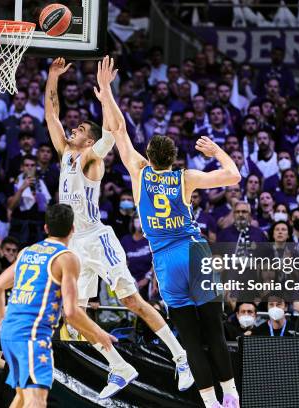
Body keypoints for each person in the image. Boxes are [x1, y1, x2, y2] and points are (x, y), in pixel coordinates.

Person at [95, 56, 240, 408]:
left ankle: (209, 401)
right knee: (214, 333)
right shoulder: (185, 177)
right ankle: (232, 395)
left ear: (148, 156)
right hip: (193, 252)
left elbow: (119, 131)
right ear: (174, 158)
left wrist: (107, 95)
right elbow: (233, 176)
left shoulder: (139, 173)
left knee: (190, 340)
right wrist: (217, 150)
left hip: (165, 261)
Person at [45, 57, 194, 398]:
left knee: (131, 300)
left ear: (90, 139)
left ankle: (181, 356)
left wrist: (106, 96)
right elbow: (51, 113)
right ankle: (120, 366)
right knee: (74, 316)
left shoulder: (93, 158)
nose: (74, 129)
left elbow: (114, 130)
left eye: (81, 128)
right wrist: (52, 77)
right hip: (73, 245)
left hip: (97, 239)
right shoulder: (65, 154)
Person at [0, 204, 119, 408]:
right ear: (72, 229)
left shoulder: (26, 252)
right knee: (37, 400)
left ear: (46, 228)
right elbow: (71, 311)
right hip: (33, 334)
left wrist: (3, 321)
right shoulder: (66, 258)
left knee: (22, 398)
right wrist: (99, 333)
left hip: (10, 333)